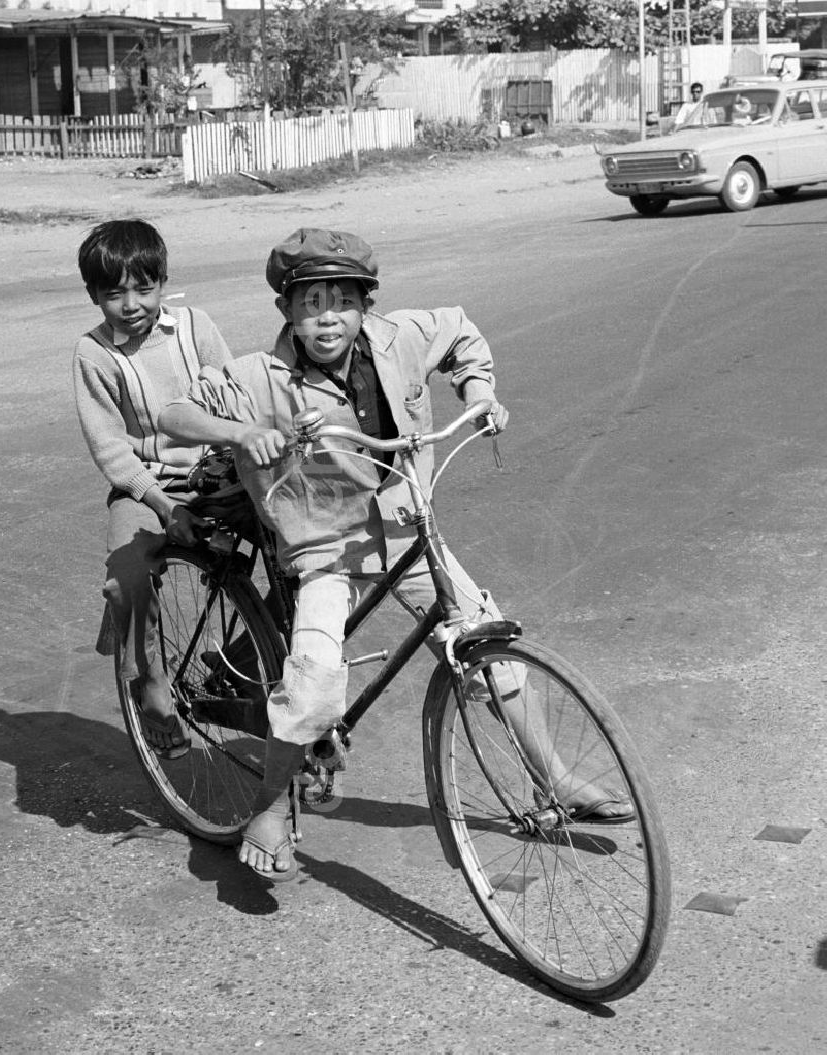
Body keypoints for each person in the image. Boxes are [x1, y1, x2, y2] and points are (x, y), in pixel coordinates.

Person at [163, 227, 633, 882]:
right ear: (288, 312)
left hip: (408, 530)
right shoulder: (260, 377)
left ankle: (551, 777)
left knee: (486, 637)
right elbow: (176, 412)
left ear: (365, 304)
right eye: (309, 303)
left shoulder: (399, 338)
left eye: (342, 301)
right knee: (318, 679)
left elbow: (462, 333)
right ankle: (269, 806)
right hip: (326, 549)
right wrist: (245, 431)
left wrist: (478, 393)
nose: (326, 317)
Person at [72, 219, 232, 758]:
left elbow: (234, 395)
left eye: (144, 288)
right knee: (127, 577)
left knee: (292, 554)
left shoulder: (196, 326)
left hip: (217, 473)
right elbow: (112, 449)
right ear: (93, 294)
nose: (131, 304)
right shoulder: (94, 355)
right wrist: (163, 507)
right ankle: (146, 683)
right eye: (114, 292)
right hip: (146, 487)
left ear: (163, 283)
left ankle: (242, 662)